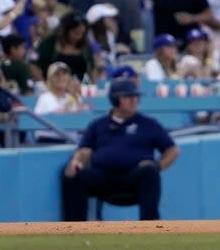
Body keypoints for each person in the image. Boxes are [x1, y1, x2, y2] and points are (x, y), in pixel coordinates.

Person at [61, 77, 179, 221]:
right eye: (129, 97)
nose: (134, 100)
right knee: (72, 175)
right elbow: (84, 150)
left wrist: (157, 165)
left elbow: (172, 150)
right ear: (115, 100)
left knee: (150, 173)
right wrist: (76, 161)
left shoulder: (148, 124)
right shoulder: (98, 125)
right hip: (104, 176)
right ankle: (74, 228)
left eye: (136, 97)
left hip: (134, 177)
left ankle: (151, 227)